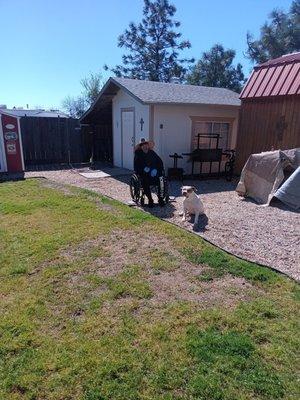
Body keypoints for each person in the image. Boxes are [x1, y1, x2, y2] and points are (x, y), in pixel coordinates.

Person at [134, 138, 165, 207]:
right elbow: (136, 166)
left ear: (148, 145)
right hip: (144, 174)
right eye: (143, 145)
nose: (145, 146)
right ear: (141, 146)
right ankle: (150, 199)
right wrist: (143, 170)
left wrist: (158, 170)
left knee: (161, 179)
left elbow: (159, 162)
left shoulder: (152, 153)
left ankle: (160, 199)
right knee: (145, 181)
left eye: (146, 144)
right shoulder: (138, 154)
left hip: (154, 173)